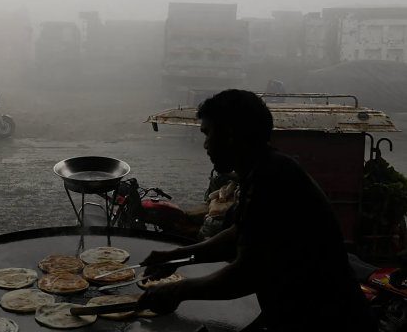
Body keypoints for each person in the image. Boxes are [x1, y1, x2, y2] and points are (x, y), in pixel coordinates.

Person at [138, 89, 376, 331]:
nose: (206, 145)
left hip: (328, 320)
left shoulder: (274, 178)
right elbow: (238, 234)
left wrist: (179, 289)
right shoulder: (262, 171)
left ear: (230, 134)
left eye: (208, 133)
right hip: (295, 311)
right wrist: (175, 257)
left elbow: (248, 273)